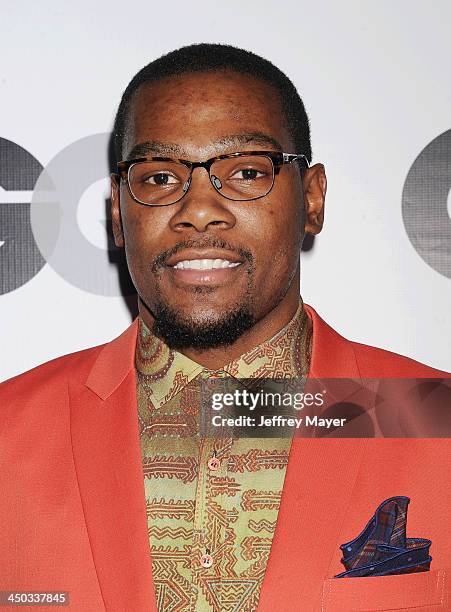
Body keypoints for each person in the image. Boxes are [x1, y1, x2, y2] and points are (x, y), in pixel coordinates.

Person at [0, 44, 449, 612]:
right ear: (118, 212)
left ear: (311, 200)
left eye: (245, 172)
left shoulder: (433, 415)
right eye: (160, 176)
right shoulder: (8, 435)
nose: (200, 208)